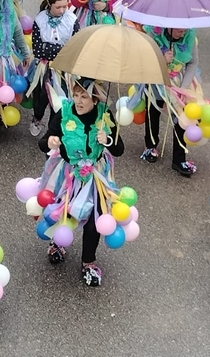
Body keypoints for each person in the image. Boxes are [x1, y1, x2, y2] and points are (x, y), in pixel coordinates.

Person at [37, 79, 124, 287]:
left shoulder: (104, 115)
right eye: (76, 95)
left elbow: (120, 149)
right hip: (68, 173)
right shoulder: (65, 111)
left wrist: (108, 140)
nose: (78, 101)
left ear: (95, 98)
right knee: (63, 212)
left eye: (84, 96)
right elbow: (43, 142)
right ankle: (57, 244)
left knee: (96, 217)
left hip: (95, 175)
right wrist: (49, 141)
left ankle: (88, 262)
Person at [139, 26, 200, 177]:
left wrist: (183, 89)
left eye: (185, 29)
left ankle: (179, 159)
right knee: (153, 111)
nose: (183, 32)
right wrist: (162, 60)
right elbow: (144, 62)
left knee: (181, 118)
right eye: (179, 30)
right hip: (156, 80)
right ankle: (150, 145)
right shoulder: (153, 35)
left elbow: (192, 63)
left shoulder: (190, 36)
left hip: (179, 83)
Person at [27, 0, 80, 137]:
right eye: (58, 7)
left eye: (65, 6)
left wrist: (50, 48)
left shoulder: (72, 20)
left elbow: (75, 45)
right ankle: (37, 117)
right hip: (44, 67)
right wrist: (61, 49)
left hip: (64, 68)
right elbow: (38, 50)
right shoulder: (40, 20)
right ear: (50, 4)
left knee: (59, 101)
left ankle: (52, 131)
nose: (63, 10)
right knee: (41, 98)